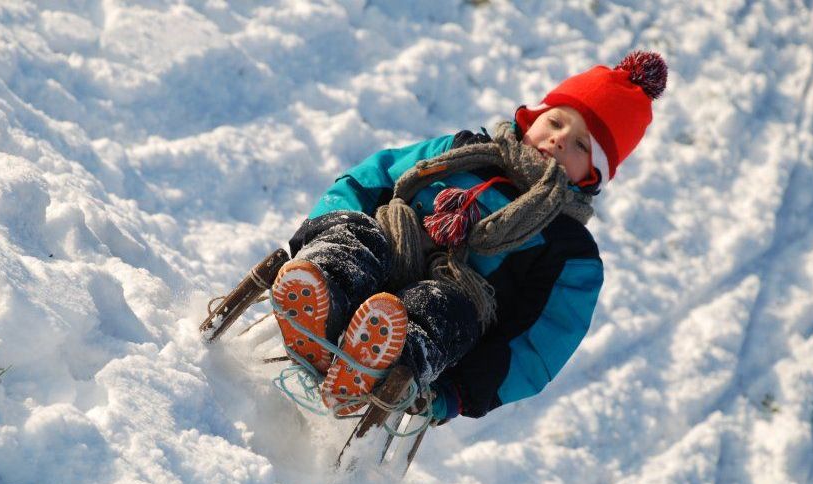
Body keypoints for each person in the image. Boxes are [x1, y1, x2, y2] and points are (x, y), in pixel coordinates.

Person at [271, 51, 668, 421]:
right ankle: (321, 287)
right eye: (556, 121)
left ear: (592, 176)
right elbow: (375, 177)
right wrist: (324, 226)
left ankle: (380, 362)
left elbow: (535, 347)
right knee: (359, 237)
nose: (560, 139)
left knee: (448, 307)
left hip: (450, 300)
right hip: (389, 244)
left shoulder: (569, 251)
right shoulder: (461, 152)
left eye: (581, 145)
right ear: (533, 119)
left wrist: (457, 393)